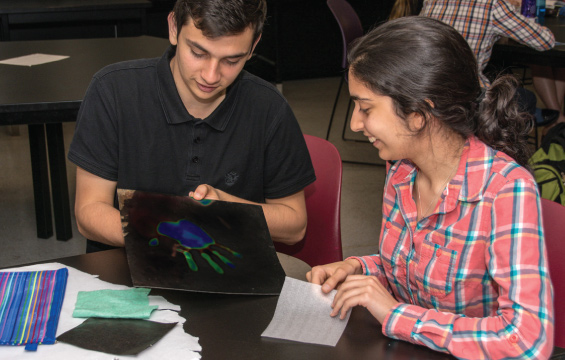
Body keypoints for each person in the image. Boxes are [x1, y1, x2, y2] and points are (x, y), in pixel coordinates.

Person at [307, 17, 553, 359]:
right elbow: (415, 268)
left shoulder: (505, 190)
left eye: (365, 108)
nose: (355, 123)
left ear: (420, 113)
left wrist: (396, 315)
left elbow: (527, 340)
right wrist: (360, 268)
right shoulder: (401, 172)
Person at [68, 0, 315, 252]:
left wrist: (228, 208)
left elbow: (295, 227)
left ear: (254, 46)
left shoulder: (269, 107)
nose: (211, 76)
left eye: (232, 60)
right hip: (126, 267)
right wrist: (159, 233)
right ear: (174, 28)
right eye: (198, 53)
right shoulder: (112, 91)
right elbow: (88, 212)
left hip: (227, 271)